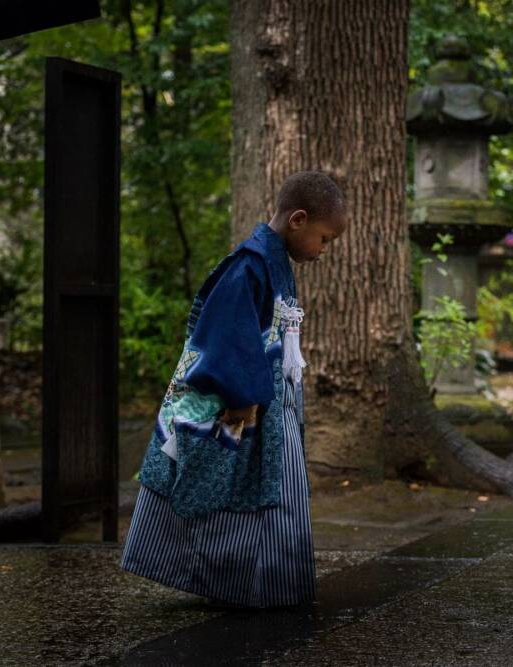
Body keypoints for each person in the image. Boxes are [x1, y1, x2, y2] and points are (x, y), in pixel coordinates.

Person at [119, 171, 347, 608]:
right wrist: (243, 397)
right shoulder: (249, 265)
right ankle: (251, 584)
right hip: (242, 404)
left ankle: (265, 584)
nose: (323, 251)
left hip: (268, 405)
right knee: (228, 486)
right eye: (324, 238)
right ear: (298, 220)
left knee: (267, 489)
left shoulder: (272, 261)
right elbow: (225, 334)